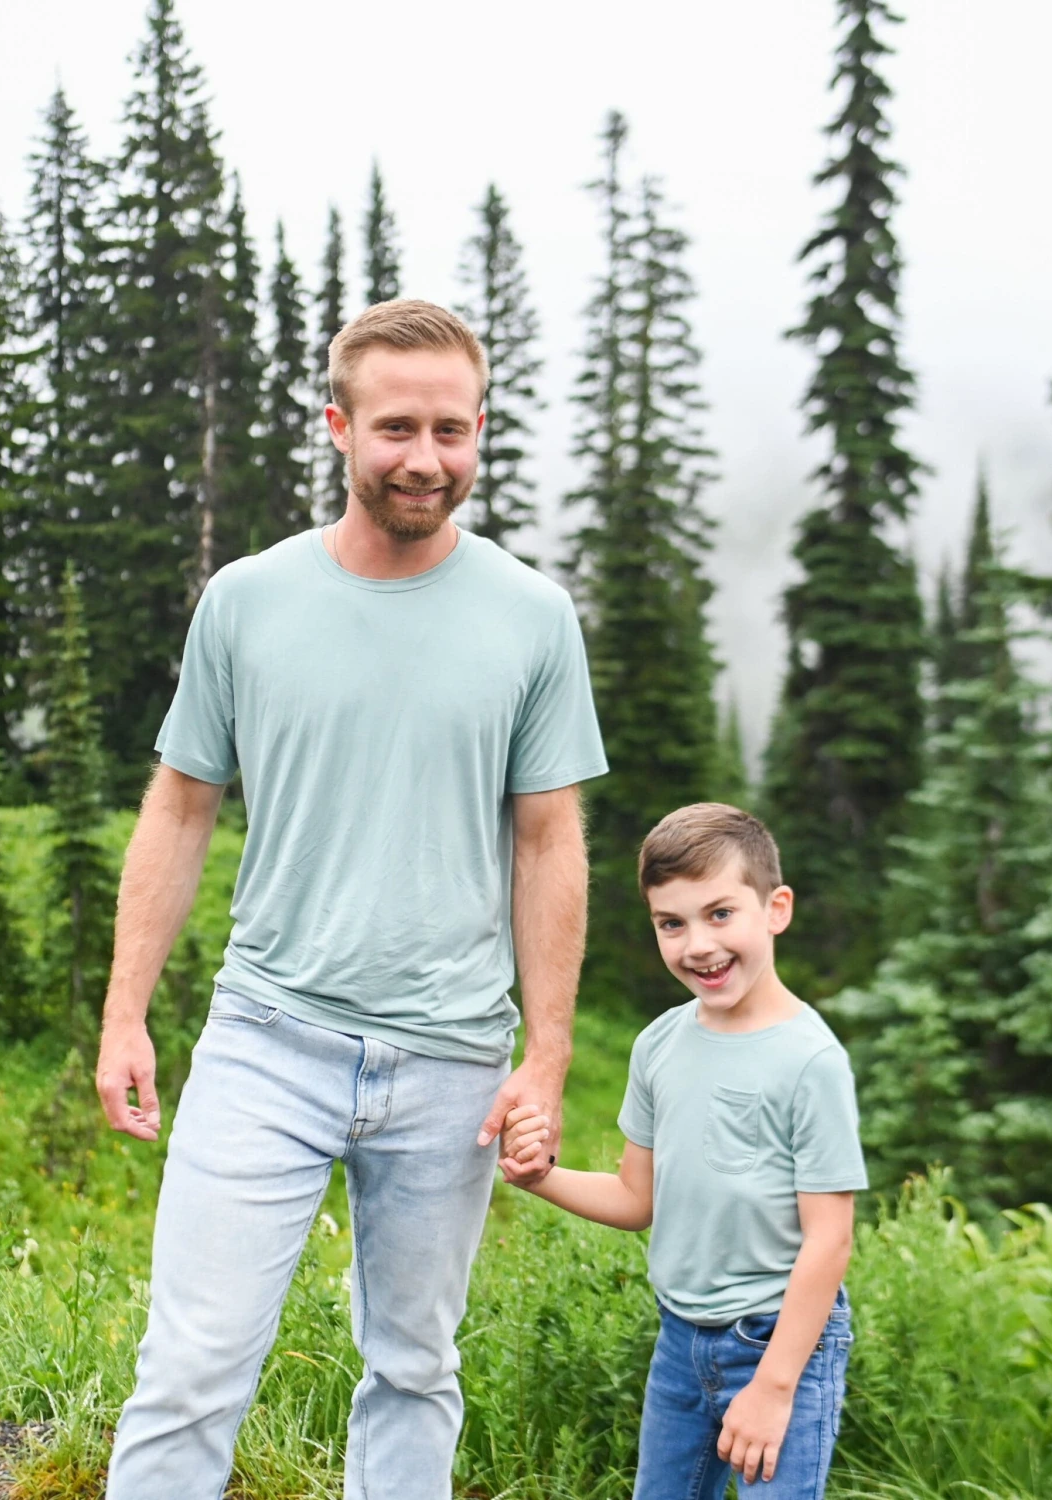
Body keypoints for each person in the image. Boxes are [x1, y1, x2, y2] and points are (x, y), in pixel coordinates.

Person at [95, 299, 609, 1500]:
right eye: (395, 429)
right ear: (339, 427)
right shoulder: (248, 600)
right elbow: (178, 809)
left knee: (417, 1371)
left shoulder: (533, 618)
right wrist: (127, 1011)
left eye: (451, 429)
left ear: (481, 429)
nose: (425, 458)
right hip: (268, 1040)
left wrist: (548, 1056)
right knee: (192, 1368)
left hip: (453, 1064)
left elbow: (549, 845)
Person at [501, 803, 867, 1499]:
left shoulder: (809, 1059)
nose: (698, 944)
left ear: (776, 908)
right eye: (672, 923)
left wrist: (774, 1386)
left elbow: (830, 1239)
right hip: (680, 1345)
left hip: (779, 1345)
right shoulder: (659, 1045)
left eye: (720, 913)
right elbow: (638, 1200)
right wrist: (537, 1176)